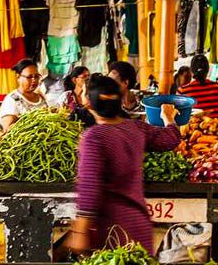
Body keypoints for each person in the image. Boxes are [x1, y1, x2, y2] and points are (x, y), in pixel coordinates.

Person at [66, 75, 181, 255]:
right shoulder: (135, 128)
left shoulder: (94, 137)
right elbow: (170, 139)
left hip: (112, 230)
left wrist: (80, 231)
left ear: (88, 102)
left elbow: (90, 187)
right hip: (139, 225)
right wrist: (168, 118)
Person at [0, 59, 47, 131]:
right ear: (18, 77)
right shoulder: (12, 99)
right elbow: (7, 128)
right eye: (29, 77)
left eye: (36, 76)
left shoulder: (40, 97)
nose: (34, 80)